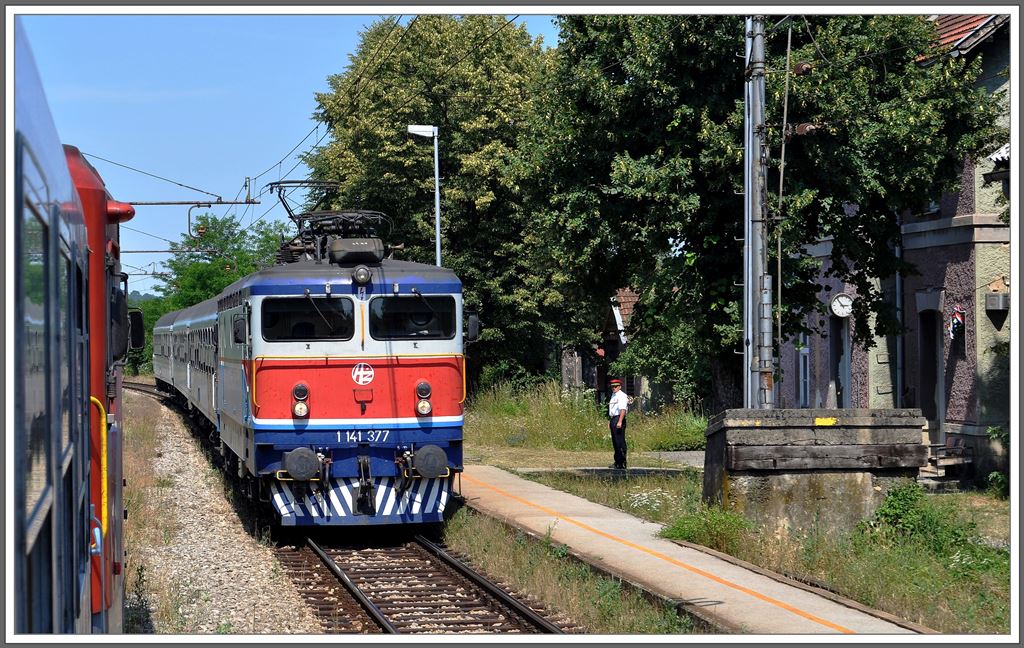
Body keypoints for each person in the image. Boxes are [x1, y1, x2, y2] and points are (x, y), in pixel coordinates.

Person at [608, 378, 629, 470]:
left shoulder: (621, 395)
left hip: (619, 418)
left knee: (620, 441)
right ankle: (617, 461)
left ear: (620, 387)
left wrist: (620, 421)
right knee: (615, 442)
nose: (614, 388)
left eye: (615, 386)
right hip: (614, 418)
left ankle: (622, 462)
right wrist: (611, 421)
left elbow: (622, 409)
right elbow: (613, 410)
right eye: (612, 386)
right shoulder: (613, 395)